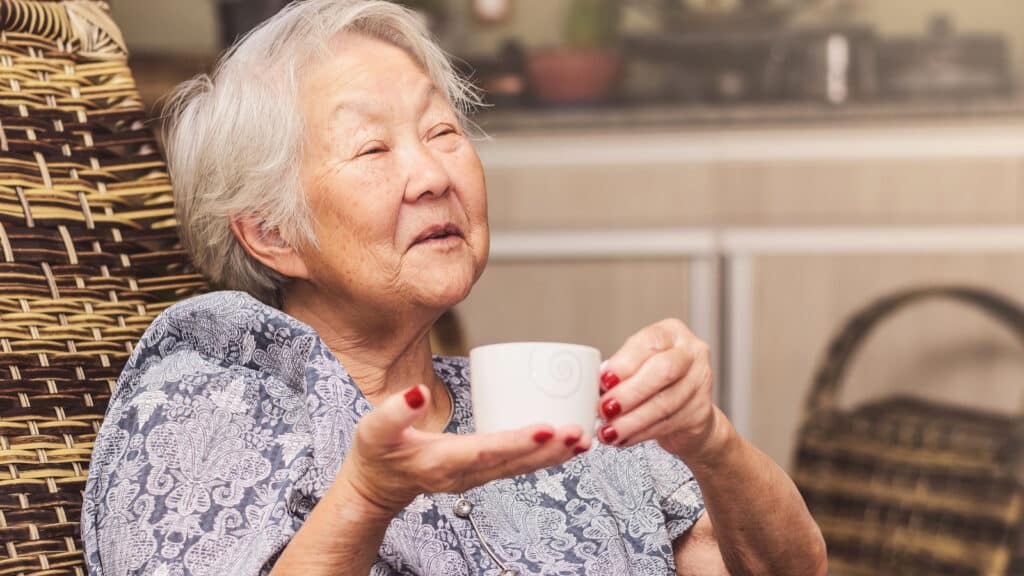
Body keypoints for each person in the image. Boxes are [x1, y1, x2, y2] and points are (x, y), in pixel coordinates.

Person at [81, 1, 827, 574]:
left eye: (442, 133)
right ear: (271, 233)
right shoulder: (211, 400)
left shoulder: (556, 410)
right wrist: (369, 497)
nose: (434, 175)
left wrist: (710, 443)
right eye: (372, 147)